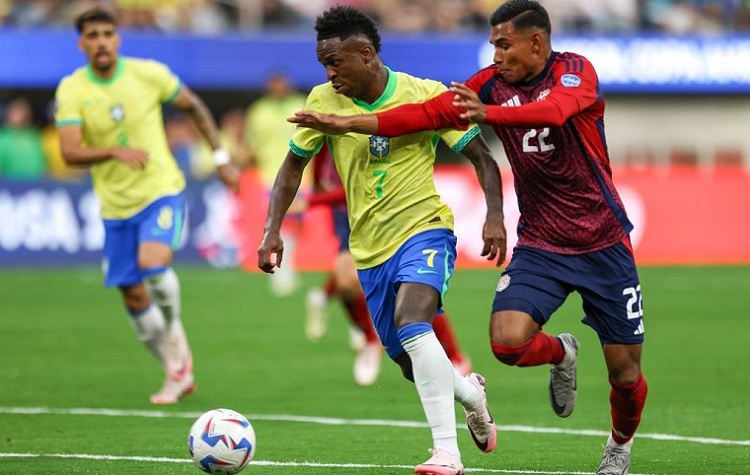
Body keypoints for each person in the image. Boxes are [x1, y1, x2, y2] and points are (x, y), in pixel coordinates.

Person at [288, 2, 649, 474]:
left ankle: (619, 445)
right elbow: (422, 115)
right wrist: (347, 123)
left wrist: (490, 115)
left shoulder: (574, 71)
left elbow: (558, 113)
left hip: (603, 241)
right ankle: (562, 351)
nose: (495, 54)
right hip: (541, 241)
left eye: (504, 44)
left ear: (536, 42)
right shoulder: (486, 85)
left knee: (624, 374)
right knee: (507, 343)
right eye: (493, 44)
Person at [259, 6, 505, 474]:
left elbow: (482, 157)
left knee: (415, 324)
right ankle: (472, 394)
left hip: (424, 228)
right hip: (369, 249)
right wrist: (272, 228)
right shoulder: (322, 100)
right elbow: (293, 166)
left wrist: (494, 214)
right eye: (323, 64)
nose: (329, 73)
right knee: (412, 362)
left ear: (367, 54)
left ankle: (446, 454)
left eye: (336, 63)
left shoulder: (424, 95)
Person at [55, 7, 240, 405]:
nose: (101, 41)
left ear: (117, 39)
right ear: (81, 43)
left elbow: (192, 105)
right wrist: (113, 152)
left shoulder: (148, 74)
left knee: (154, 265)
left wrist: (221, 157)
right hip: (115, 207)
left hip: (161, 191)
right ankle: (177, 371)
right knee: (132, 295)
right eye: (93, 35)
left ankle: (174, 336)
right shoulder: (72, 89)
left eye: (107, 33)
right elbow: (69, 151)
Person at [301, 146, 473, 387]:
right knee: (346, 282)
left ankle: (455, 356)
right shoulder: (331, 114)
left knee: (412, 289)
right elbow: (319, 140)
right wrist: (317, 179)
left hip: (389, 213)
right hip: (350, 214)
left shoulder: (373, 124)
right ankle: (370, 338)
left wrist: (311, 201)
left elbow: (364, 187)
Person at [245, 71, 308, 296]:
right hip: (271, 176)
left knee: (295, 225)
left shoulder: (301, 104)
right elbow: (251, 144)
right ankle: (283, 274)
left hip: (303, 175)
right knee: (281, 222)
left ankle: (285, 268)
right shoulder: (258, 111)